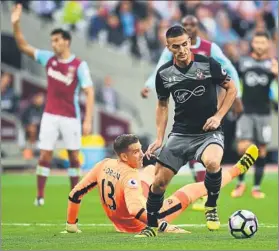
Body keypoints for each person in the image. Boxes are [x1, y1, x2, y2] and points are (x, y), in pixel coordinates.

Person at [135, 25, 238, 237]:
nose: (182, 50)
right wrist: (159, 138)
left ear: (189, 41)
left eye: (184, 44)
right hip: (180, 134)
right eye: (176, 46)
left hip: (209, 132)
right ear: (168, 47)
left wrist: (218, 116)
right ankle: (152, 226)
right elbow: (162, 105)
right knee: (158, 183)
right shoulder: (163, 73)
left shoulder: (207, 64)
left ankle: (211, 205)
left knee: (213, 162)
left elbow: (232, 88)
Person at [63, 134, 258, 234]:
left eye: (141, 149)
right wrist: (161, 225)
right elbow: (134, 210)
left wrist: (71, 225)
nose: (141, 153)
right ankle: (238, 169)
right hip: (137, 224)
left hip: (119, 219)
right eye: (136, 152)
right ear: (124, 155)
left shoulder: (104, 164)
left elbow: (75, 194)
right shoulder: (129, 177)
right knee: (193, 189)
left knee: (149, 171)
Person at [11, 4, 94, 206]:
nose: (53, 44)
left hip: (70, 117)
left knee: (74, 157)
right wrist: (16, 24)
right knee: (45, 155)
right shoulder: (48, 59)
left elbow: (89, 91)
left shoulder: (79, 65)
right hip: (50, 115)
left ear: (66, 42)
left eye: (56, 40)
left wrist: (88, 120)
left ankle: (75, 195)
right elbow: (23, 46)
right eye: (52, 41)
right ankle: (40, 196)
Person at [231, 31, 278, 199]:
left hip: (264, 112)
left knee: (262, 150)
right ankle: (240, 183)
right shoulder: (243, 62)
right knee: (243, 147)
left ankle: (256, 187)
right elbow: (231, 81)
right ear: (252, 44)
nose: (259, 45)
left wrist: (277, 74)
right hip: (246, 111)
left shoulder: (273, 64)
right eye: (256, 42)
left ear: (268, 45)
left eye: (262, 43)